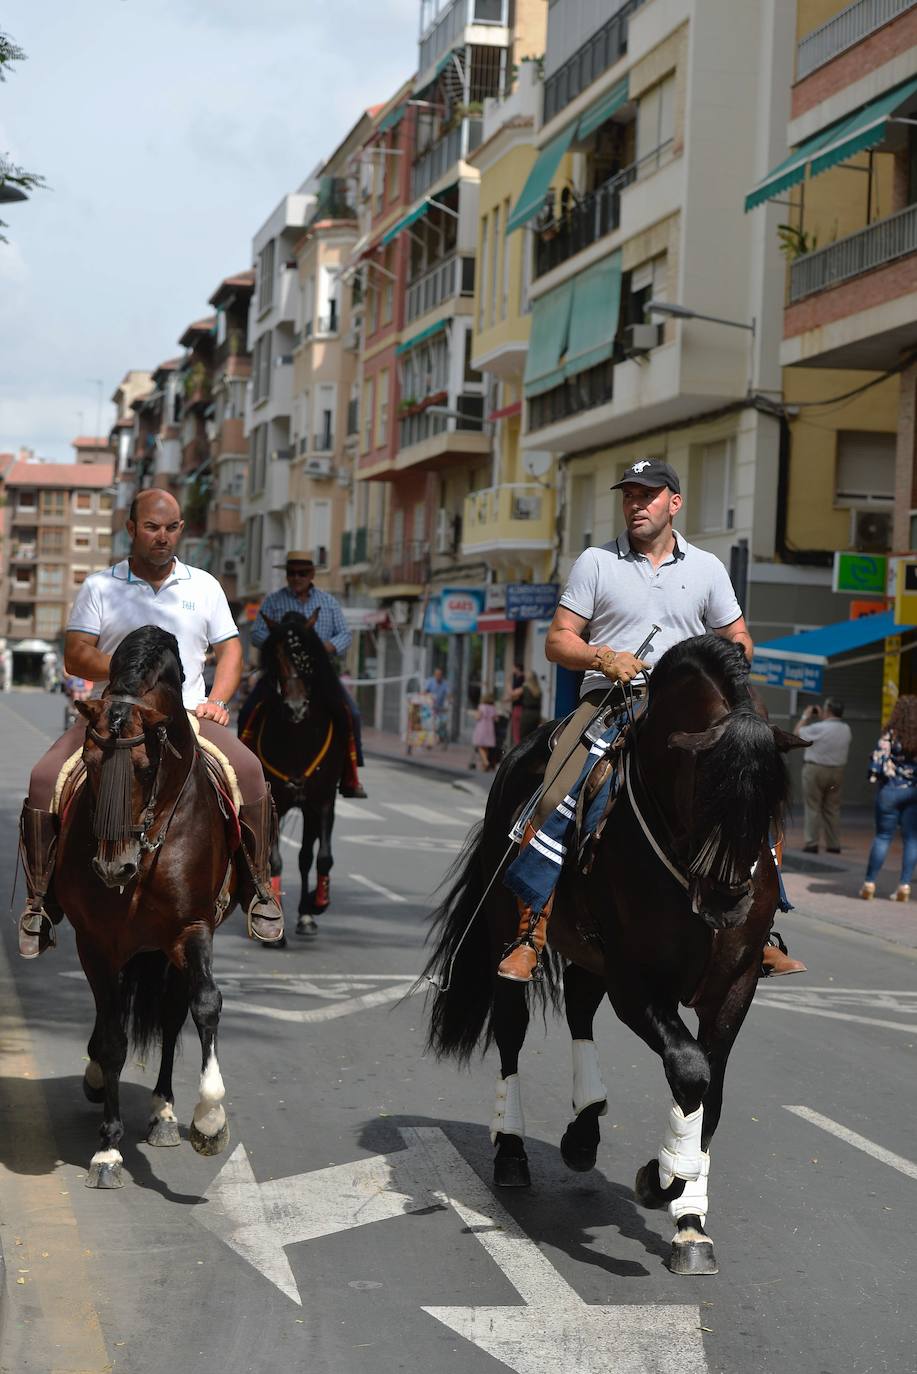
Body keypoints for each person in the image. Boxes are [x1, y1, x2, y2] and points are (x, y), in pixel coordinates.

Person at [497, 457, 802, 982]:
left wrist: (732, 660)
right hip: (611, 701)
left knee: (753, 785)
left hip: (685, 710)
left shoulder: (707, 568)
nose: (636, 505)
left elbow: (739, 636)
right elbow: (557, 640)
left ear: (674, 503)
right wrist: (604, 657)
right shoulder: (596, 561)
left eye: (648, 495)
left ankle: (763, 925)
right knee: (555, 790)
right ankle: (533, 929)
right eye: (629, 496)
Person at [18, 488, 284, 959]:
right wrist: (129, 673)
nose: (162, 537)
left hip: (186, 716)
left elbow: (231, 651)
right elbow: (76, 655)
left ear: (180, 530)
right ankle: (40, 901)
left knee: (249, 773)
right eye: (152, 527)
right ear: (131, 529)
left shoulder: (203, 586)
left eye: (171, 528)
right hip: (115, 716)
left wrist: (218, 700)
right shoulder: (101, 587)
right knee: (43, 780)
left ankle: (260, 889)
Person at [249, 552, 366, 798]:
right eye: (291, 573)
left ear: (312, 574)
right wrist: (279, 642)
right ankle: (243, 770)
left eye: (302, 573)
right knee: (250, 709)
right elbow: (257, 634)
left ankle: (350, 776)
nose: (296, 578)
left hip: (320, 675)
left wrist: (322, 648)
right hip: (282, 675)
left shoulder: (329, 603)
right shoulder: (273, 601)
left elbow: (345, 635)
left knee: (351, 713)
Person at [861, 695, 917, 901]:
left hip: (890, 792)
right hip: (913, 793)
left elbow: (876, 764)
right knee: (911, 839)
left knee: (883, 836)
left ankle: (869, 883)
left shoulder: (890, 736)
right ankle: (904, 886)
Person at [794, 698, 852, 854]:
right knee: (832, 809)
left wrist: (805, 717)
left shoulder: (818, 727)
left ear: (828, 711)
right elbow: (830, 728)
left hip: (815, 769)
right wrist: (823, 718)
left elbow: (797, 734)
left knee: (813, 807)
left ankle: (812, 843)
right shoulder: (846, 728)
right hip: (837, 771)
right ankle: (833, 845)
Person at [425, 666, 451, 748]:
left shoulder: (445, 683)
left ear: (442, 675)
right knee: (430, 725)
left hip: (440, 708)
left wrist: (449, 700)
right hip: (430, 707)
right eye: (436, 674)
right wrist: (426, 696)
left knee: (442, 724)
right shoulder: (430, 681)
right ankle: (430, 742)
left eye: (439, 674)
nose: (438, 676)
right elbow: (425, 691)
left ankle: (443, 739)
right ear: (434, 674)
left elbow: (449, 694)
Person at [473, 691, 498, 771]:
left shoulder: (481, 706)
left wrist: (474, 715)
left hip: (482, 727)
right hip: (490, 728)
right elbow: (496, 718)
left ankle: (486, 762)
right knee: (486, 747)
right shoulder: (493, 707)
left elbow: (478, 717)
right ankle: (484, 766)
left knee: (480, 746)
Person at [519, 670, 542, 740]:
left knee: (524, 736)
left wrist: (508, 684)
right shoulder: (539, 690)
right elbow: (540, 705)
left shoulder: (525, 688)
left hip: (527, 715)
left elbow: (513, 694)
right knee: (533, 736)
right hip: (536, 715)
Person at [508, 662, 525, 746]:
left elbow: (514, 694)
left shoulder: (521, 679)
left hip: (519, 707)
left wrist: (508, 685)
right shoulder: (518, 678)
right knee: (517, 730)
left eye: (513, 667)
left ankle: (517, 746)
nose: (512, 670)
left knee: (516, 730)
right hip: (518, 707)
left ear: (517, 668)